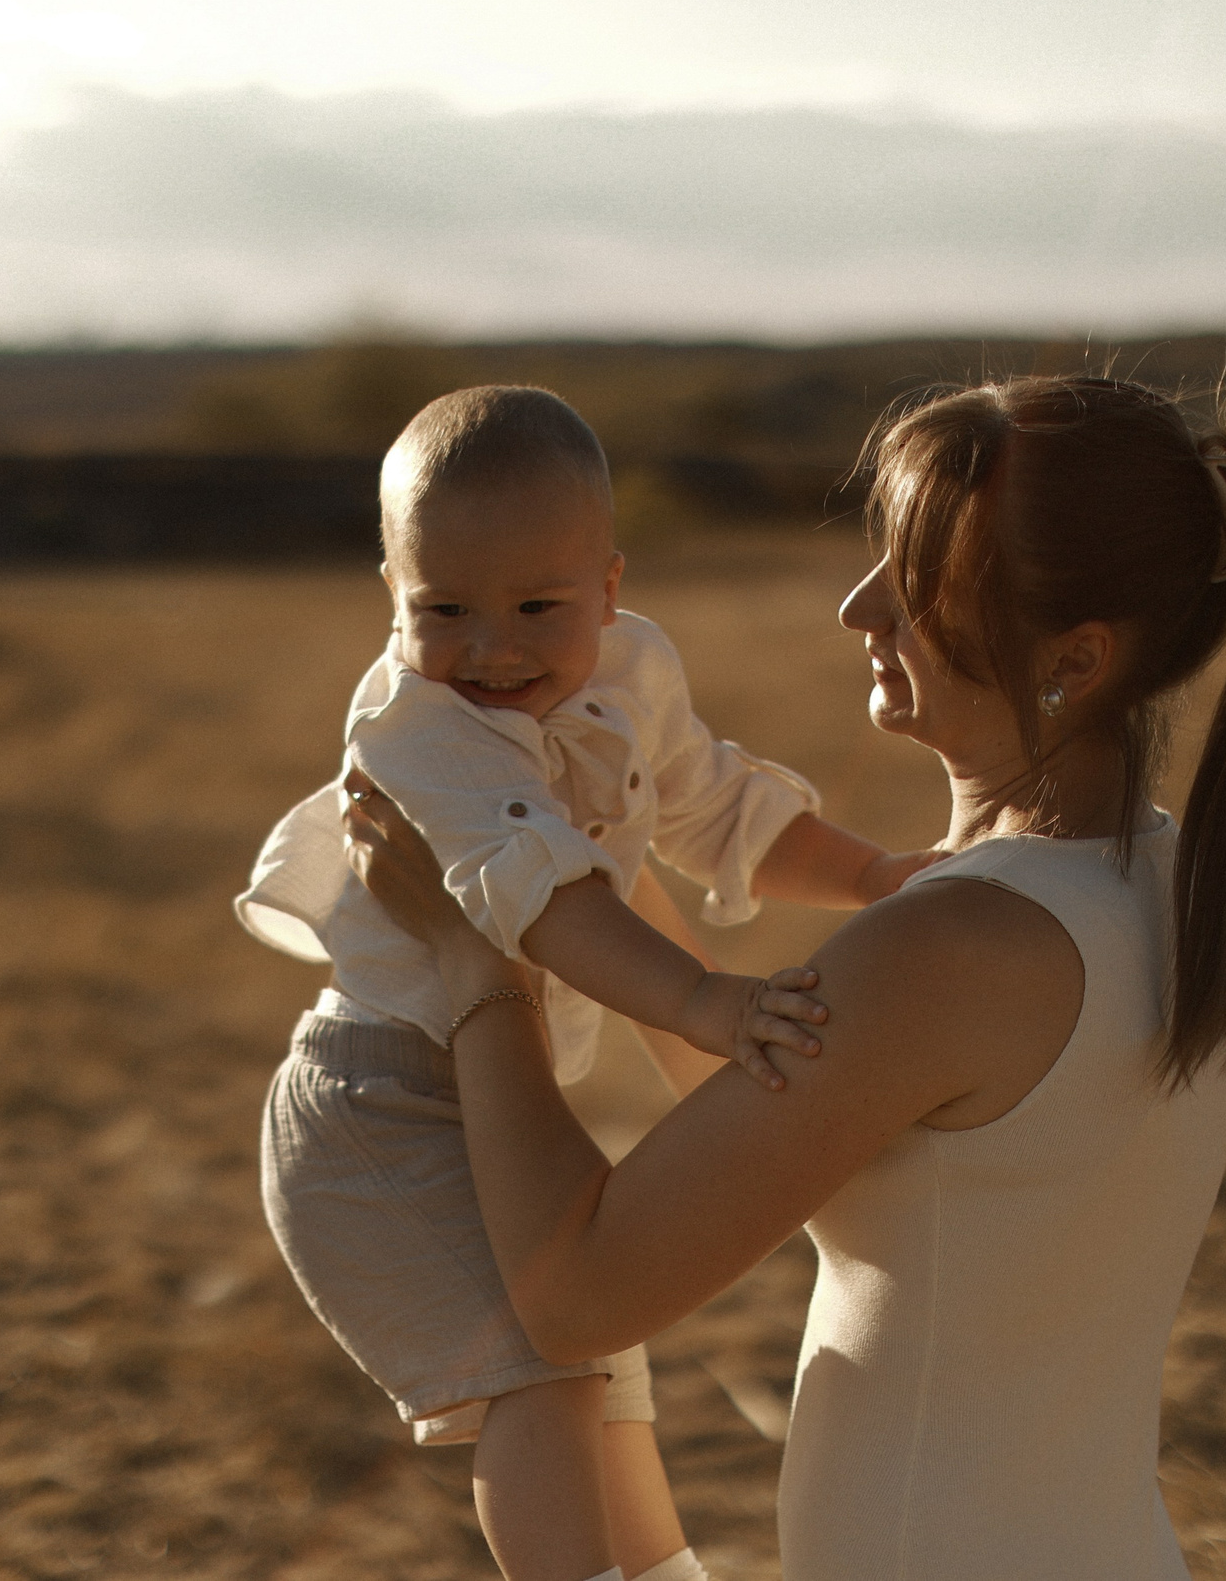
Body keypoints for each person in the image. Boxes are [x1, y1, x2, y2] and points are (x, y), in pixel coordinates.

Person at [342, 374, 1226, 1579]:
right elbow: (778, 1136)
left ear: (1075, 656)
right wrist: (578, 861)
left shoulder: (953, 948)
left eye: (917, 576)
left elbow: (576, 1297)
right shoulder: (1173, 887)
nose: (859, 605)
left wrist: (477, 953)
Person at [236, 385, 936, 1581]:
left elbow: (716, 806)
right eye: (442, 609)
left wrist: (872, 874)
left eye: (535, 607)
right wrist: (702, 1002)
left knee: (602, 1366)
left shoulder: (632, 670)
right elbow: (549, 904)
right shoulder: (419, 729)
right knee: (542, 1375)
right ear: (391, 594)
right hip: (379, 1109)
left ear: (609, 589)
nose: (491, 648)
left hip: (492, 1087)